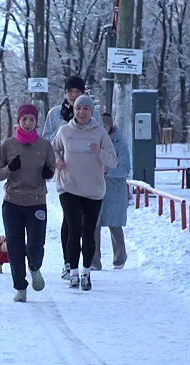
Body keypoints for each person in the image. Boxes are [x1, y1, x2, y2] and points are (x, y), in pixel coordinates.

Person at [51, 95, 118, 291]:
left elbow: (113, 161)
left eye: (86, 109)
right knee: (73, 228)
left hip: (93, 189)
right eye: (78, 108)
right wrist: (57, 161)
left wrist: (99, 153)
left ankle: (86, 273)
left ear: (92, 112)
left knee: (88, 231)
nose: (81, 112)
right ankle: (73, 273)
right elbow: (53, 150)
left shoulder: (99, 133)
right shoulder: (64, 131)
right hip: (69, 187)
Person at [0, 104, 56, 302]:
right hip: (13, 203)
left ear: (37, 122)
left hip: (37, 202)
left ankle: (35, 267)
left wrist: (48, 173)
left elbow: (52, 167)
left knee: (36, 244)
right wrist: (9, 168)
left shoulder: (44, 146)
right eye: (24, 120)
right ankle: (20, 287)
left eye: (32, 120)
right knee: (14, 246)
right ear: (18, 122)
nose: (28, 123)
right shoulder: (8, 146)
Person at [41, 75, 102, 281]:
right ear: (65, 93)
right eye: (70, 92)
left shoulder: (92, 113)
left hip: (88, 174)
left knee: (87, 222)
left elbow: (102, 136)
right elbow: (47, 139)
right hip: (67, 174)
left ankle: (88, 261)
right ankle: (69, 263)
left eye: (77, 91)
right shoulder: (56, 114)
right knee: (70, 221)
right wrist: (65, 135)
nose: (74, 96)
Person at [92, 112, 131, 271]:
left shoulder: (120, 144)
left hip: (114, 190)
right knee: (93, 224)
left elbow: (125, 168)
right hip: (94, 187)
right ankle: (93, 260)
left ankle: (119, 257)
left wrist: (108, 171)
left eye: (105, 126)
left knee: (114, 224)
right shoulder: (92, 141)